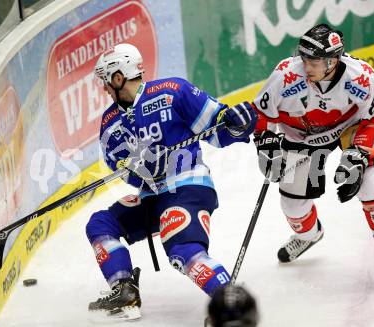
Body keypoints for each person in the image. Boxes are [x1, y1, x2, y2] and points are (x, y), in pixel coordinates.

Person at [85, 43, 257, 320]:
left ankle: (232, 306)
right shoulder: (110, 122)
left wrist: (237, 122)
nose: (104, 87)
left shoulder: (172, 92)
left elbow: (219, 129)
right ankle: (124, 290)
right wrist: (132, 168)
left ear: (118, 77)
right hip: (151, 196)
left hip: (187, 184)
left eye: (106, 80)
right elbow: (117, 166)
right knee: (100, 223)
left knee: (182, 250)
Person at [252, 24, 374, 281]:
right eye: (303, 58)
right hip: (302, 137)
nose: (306, 65)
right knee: (292, 204)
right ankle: (309, 234)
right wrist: (265, 141)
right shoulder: (285, 76)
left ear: (333, 61)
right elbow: (262, 114)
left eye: (314, 61)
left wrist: (360, 154)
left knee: (371, 184)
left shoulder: (363, 78)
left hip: (350, 131)